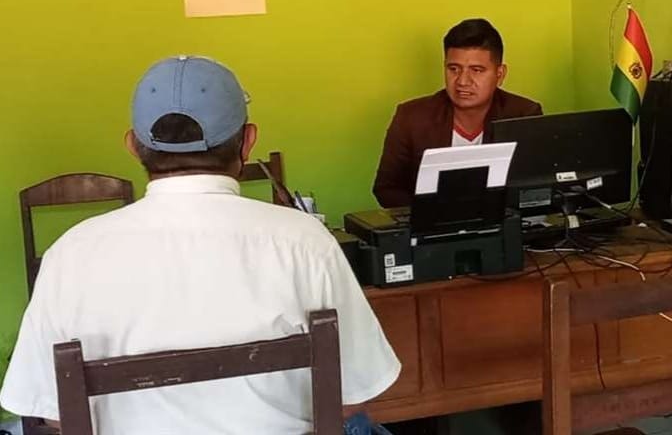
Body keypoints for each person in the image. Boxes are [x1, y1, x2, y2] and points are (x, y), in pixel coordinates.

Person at [0, 56, 400, 434]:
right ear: (248, 142)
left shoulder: (71, 253)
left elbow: (49, 411)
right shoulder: (306, 241)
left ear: (133, 146)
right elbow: (354, 394)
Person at [373, 18, 543, 208]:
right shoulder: (411, 117)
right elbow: (386, 188)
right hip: (429, 222)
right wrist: (431, 214)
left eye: (477, 70)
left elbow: (536, 186)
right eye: (453, 69)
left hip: (501, 221)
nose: (462, 81)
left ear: (500, 74)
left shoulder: (523, 114)